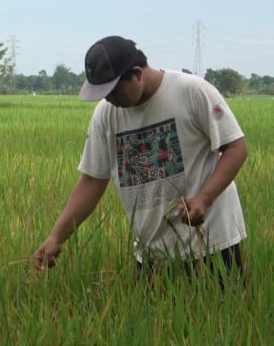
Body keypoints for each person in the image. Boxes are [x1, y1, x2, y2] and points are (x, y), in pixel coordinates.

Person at [33, 36, 248, 284]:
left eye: (114, 91)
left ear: (136, 73)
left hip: (211, 244)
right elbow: (92, 181)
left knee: (218, 319)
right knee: (150, 321)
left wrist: (205, 197)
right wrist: (56, 237)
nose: (109, 100)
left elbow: (236, 147)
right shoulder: (106, 114)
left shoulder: (192, 92)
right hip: (151, 255)